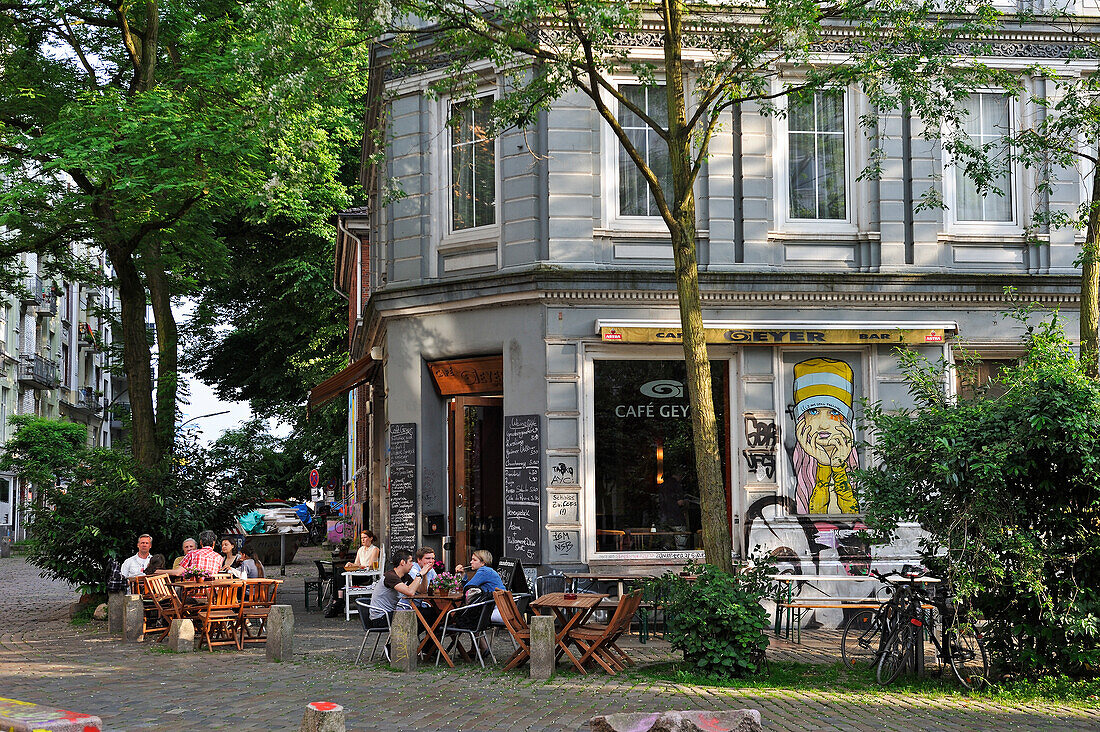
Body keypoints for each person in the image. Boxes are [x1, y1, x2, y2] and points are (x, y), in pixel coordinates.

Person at [365, 549, 426, 629]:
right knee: (424, 616)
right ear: (402, 562)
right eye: (410, 561)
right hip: (381, 618)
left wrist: (425, 574)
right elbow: (410, 592)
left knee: (428, 614)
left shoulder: (405, 576)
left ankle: (421, 641)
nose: (412, 565)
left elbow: (422, 590)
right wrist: (420, 574)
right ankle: (411, 641)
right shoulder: (390, 576)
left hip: (392, 614)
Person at [397, 547, 438, 620]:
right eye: (428, 558)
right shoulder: (412, 570)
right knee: (433, 615)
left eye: (433, 558)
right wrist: (423, 574)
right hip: (407, 606)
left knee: (438, 614)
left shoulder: (430, 570)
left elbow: (437, 586)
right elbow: (421, 590)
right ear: (419, 560)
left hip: (419, 604)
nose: (431, 561)